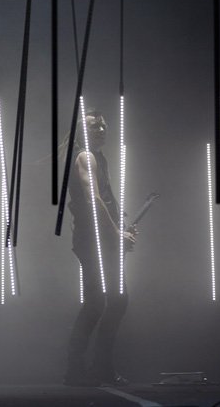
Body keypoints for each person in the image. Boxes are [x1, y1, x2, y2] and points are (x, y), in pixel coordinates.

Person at [64, 110, 136, 387]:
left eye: (104, 126)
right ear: (82, 130)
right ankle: (81, 370)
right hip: (93, 240)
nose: (102, 130)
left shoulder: (97, 157)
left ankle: (94, 369)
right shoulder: (86, 156)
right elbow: (92, 199)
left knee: (111, 301)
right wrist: (116, 232)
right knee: (101, 302)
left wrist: (120, 226)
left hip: (99, 239)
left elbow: (102, 198)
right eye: (95, 126)